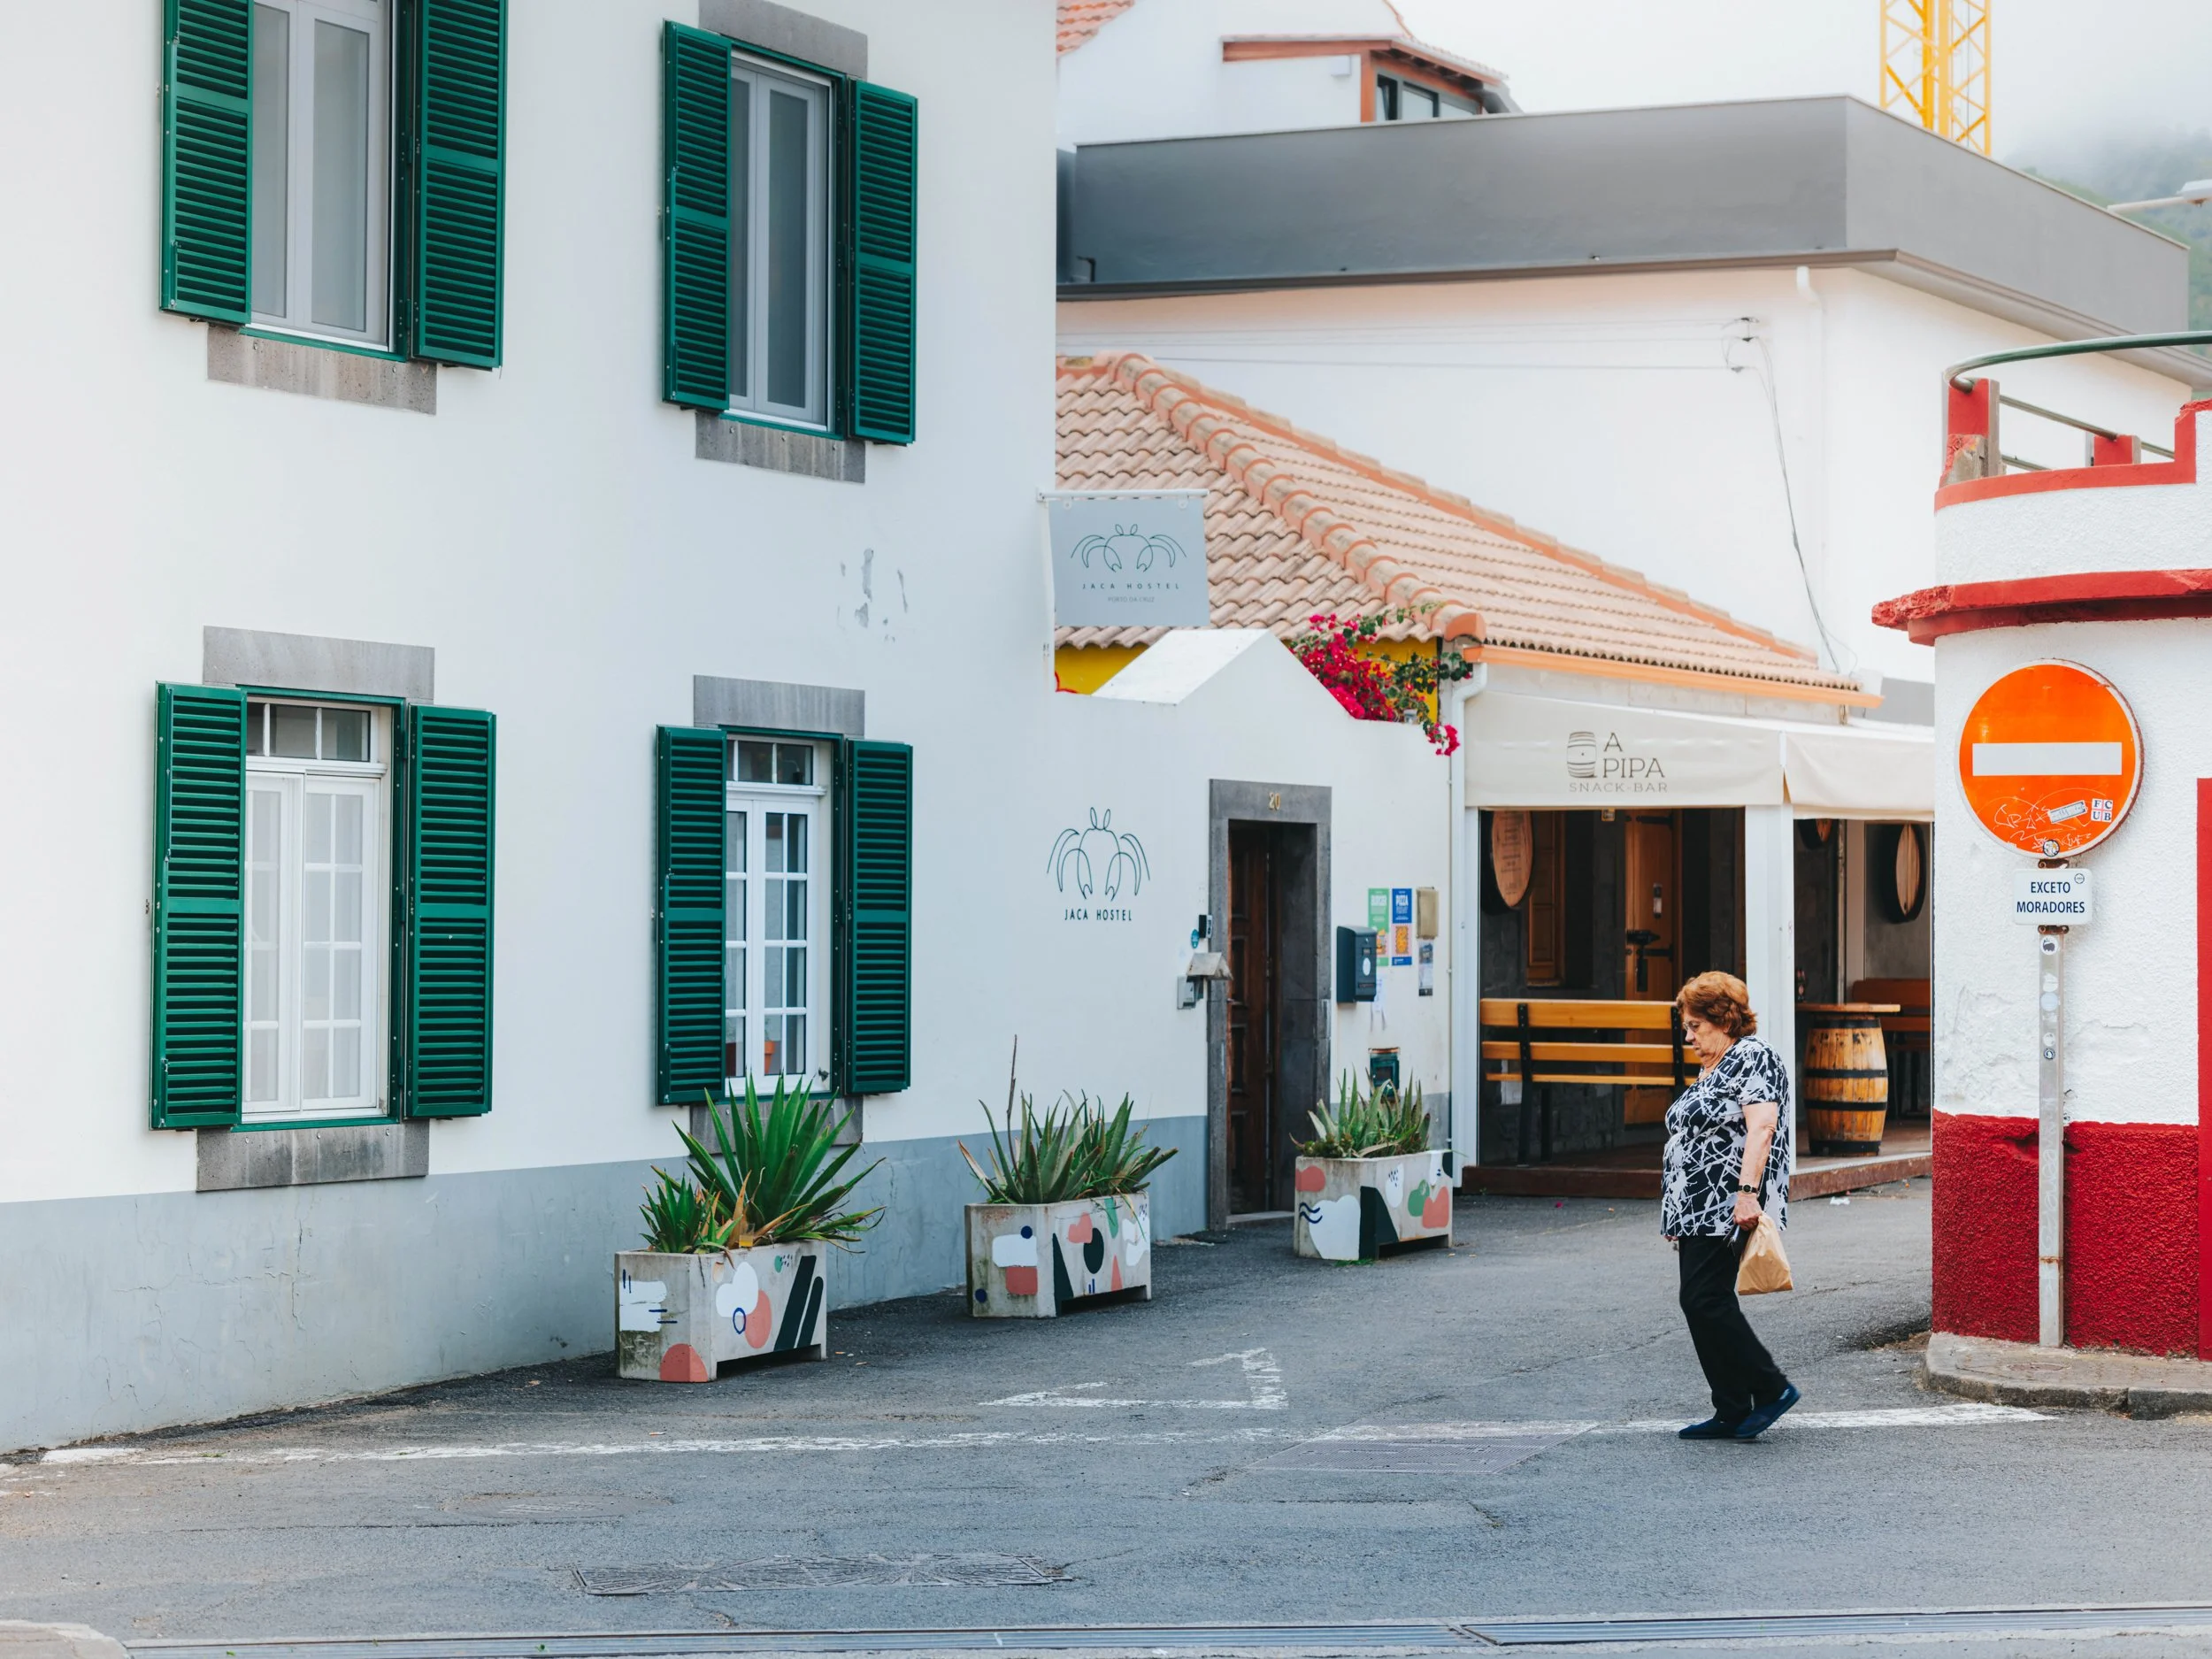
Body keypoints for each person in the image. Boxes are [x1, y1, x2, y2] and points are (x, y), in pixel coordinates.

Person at [1662, 970, 1801, 1440]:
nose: (1689, 1036)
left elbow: (1761, 1127)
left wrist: (1747, 1193)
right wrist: (1675, 1210)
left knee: (1705, 1299)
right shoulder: (1715, 1067)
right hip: (1697, 1207)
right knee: (1701, 1301)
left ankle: (1771, 1388)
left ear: (1722, 1019)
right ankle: (1731, 1408)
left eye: (1695, 1026)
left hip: (1728, 1202)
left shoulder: (1751, 1057)